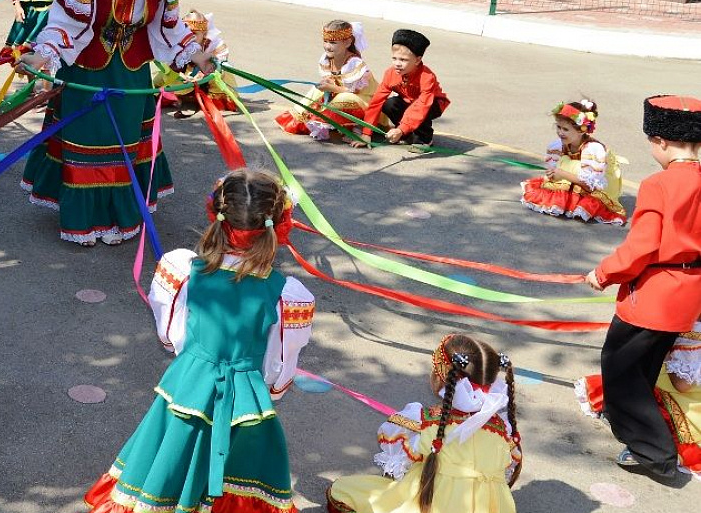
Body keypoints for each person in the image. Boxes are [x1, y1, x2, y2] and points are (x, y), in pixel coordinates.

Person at [84, 168, 313, 512]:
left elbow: (170, 335)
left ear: (218, 215)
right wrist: (265, 389)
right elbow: (279, 368)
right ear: (278, 225)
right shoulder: (286, 294)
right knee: (243, 473)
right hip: (245, 398)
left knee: (170, 460)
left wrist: (197, 357)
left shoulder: (183, 270)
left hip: (188, 384)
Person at [16, 0, 212, 246]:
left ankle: (117, 217)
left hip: (131, 77)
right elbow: (63, 23)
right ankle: (84, 220)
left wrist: (196, 55)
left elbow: (168, 26)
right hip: (86, 71)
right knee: (87, 142)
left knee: (123, 146)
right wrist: (41, 55)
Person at [584, 94, 701, 486]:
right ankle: (633, 424)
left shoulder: (658, 184)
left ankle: (653, 452)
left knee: (620, 367)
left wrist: (603, 273)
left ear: (661, 141)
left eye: (651, 141)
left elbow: (642, 246)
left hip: (654, 291)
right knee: (646, 362)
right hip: (689, 291)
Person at [325, 334, 522, 513]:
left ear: (440, 376)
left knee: (345, 491)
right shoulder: (503, 430)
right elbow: (506, 470)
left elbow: (396, 452)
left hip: (431, 505)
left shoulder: (426, 421)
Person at [575, 315, 701, 482]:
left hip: (686, 400)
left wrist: (671, 350)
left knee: (640, 391)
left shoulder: (694, 329)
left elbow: (681, 384)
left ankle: (650, 447)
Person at [520, 99, 626, 225]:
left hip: (600, 185)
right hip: (577, 177)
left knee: (567, 164)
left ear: (582, 130)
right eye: (558, 127)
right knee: (564, 165)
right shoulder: (559, 146)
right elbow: (557, 168)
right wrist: (553, 173)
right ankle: (571, 196)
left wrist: (561, 173)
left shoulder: (593, 149)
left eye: (565, 129)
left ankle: (578, 199)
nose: (560, 132)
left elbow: (590, 185)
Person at [276, 20, 378, 141]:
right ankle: (298, 117)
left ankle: (357, 126)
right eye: (325, 41)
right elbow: (332, 79)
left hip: (364, 99)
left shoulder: (354, 63)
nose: (327, 46)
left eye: (333, 42)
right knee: (315, 91)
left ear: (347, 42)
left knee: (344, 98)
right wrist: (326, 83)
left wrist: (330, 87)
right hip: (340, 91)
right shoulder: (328, 58)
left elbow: (352, 91)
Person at [353, 29, 450, 148]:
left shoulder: (427, 77)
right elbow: (376, 102)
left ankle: (425, 138)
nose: (397, 64)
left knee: (421, 111)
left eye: (403, 60)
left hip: (431, 104)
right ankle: (406, 134)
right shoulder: (390, 73)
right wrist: (366, 133)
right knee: (389, 104)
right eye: (394, 58)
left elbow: (421, 106)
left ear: (417, 60)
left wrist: (401, 129)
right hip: (408, 102)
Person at [154, 10, 240, 117]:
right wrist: (181, 75)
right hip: (185, 75)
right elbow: (170, 64)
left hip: (208, 75)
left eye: (194, 34)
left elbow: (220, 61)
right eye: (187, 34)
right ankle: (176, 96)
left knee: (223, 74)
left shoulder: (213, 44)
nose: (190, 38)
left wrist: (204, 73)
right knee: (169, 76)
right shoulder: (179, 44)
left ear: (204, 34)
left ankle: (213, 98)